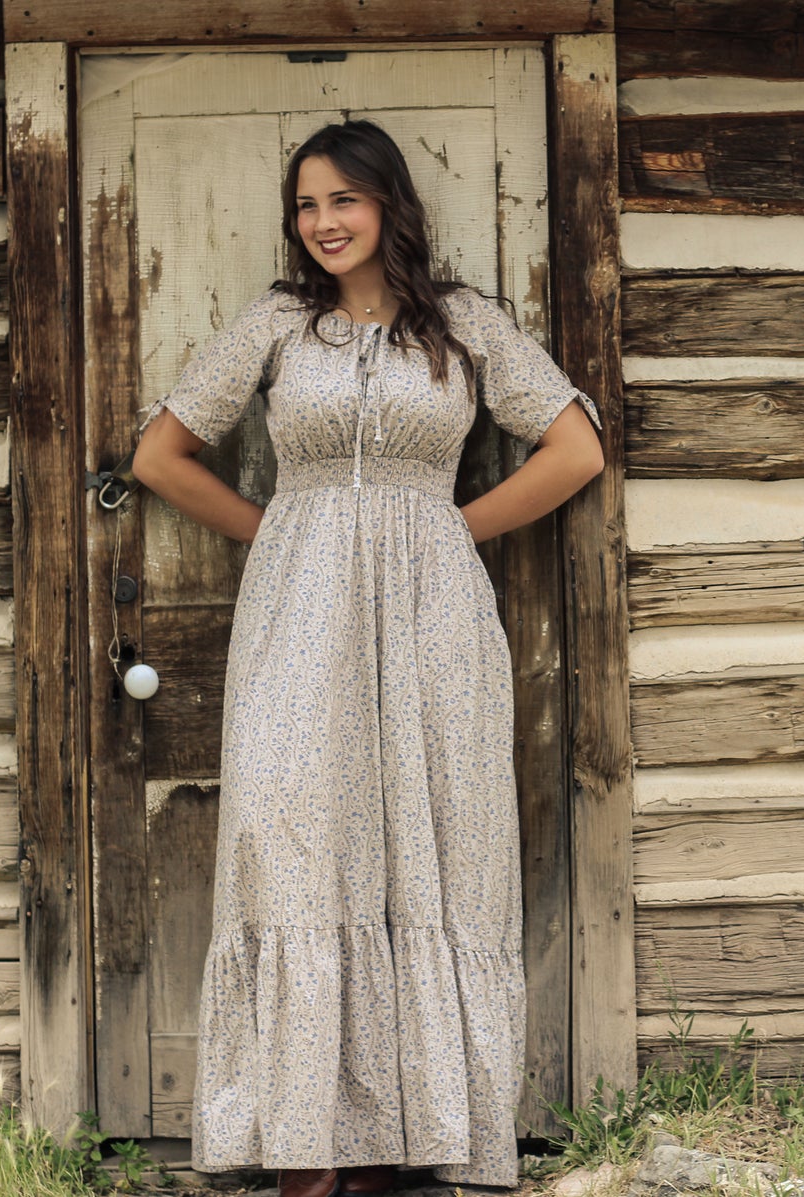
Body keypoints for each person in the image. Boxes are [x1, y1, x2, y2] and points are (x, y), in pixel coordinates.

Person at [129, 119, 605, 1197]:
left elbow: (575, 447)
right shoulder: (278, 326)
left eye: (341, 199)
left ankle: (409, 1138)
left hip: (434, 615)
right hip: (297, 611)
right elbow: (161, 455)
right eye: (306, 205)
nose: (322, 222)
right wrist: (285, 530)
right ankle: (305, 1150)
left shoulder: (464, 324)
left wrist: (446, 529)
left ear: (387, 203)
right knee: (291, 832)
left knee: (429, 844)